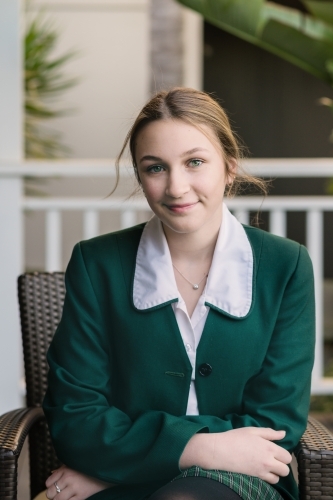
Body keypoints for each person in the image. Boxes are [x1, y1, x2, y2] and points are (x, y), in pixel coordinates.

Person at [43, 87, 315, 500]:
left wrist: (122, 465)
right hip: (125, 476)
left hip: (239, 477)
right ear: (140, 177)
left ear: (229, 167)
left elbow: (274, 425)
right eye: (156, 168)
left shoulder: (286, 266)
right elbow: (74, 418)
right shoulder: (96, 263)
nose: (176, 186)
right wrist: (196, 448)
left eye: (195, 162)